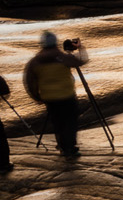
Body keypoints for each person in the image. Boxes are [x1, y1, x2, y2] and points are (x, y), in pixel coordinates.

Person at [23, 31, 89, 160]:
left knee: (58, 122)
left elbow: (29, 81)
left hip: (49, 98)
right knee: (70, 122)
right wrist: (80, 47)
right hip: (67, 95)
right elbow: (82, 61)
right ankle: (70, 148)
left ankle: (63, 147)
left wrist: (36, 96)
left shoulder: (35, 61)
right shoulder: (62, 57)